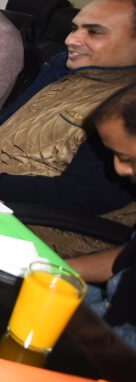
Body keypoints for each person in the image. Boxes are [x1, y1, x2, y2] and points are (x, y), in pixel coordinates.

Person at [0, 0, 136, 220]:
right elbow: (5, 115)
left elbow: (81, 195)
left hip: (36, 222)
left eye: (94, 32)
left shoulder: (125, 105)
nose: (71, 40)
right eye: (74, 28)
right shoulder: (61, 67)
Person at [67, 82, 136, 350]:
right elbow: (127, 257)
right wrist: (60, 271)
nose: (119, 169)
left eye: (125, 158)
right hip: (103, 301)